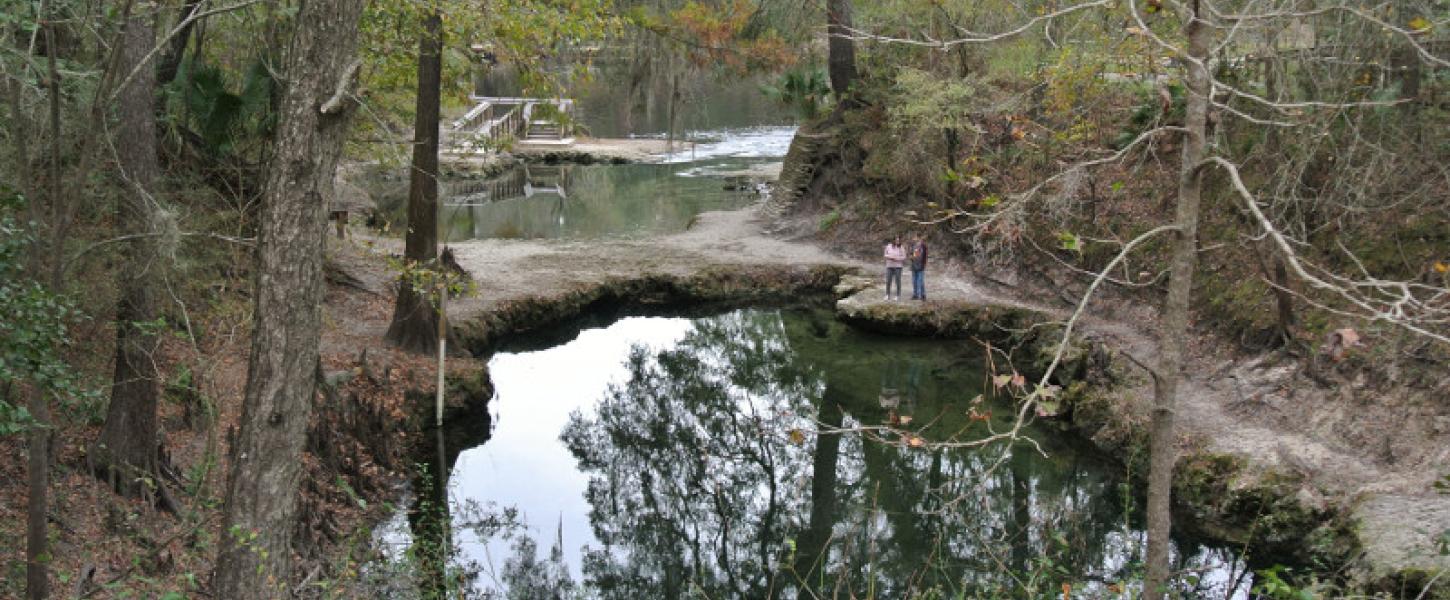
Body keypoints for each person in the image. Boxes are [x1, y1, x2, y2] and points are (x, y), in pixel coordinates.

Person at [883, 235, 905, 300]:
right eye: (896, 240)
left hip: (898, 266)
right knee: (888, 281)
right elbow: (885, 254)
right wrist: (889, 256)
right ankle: (887, 294)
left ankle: (898, 295)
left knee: (897, 281)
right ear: (893, 240)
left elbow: (904, 257)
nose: (897, 241)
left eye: (898, 240)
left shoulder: (901, 247)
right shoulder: (888, 246)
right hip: (889, 266)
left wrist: (897, 259)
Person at [909, 233, 928, 301]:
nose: (913, 238)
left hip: (920, 266)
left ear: (918, 238)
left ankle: (923, 295)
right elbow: (910, 254)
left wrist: (924, 264)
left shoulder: (923, 246)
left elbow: (925, 256)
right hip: (913, 265)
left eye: (915, 237)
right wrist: (911, 257)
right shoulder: (912, 245)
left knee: (920, 281)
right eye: (913, 237)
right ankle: (915, 295)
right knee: (914, 281)